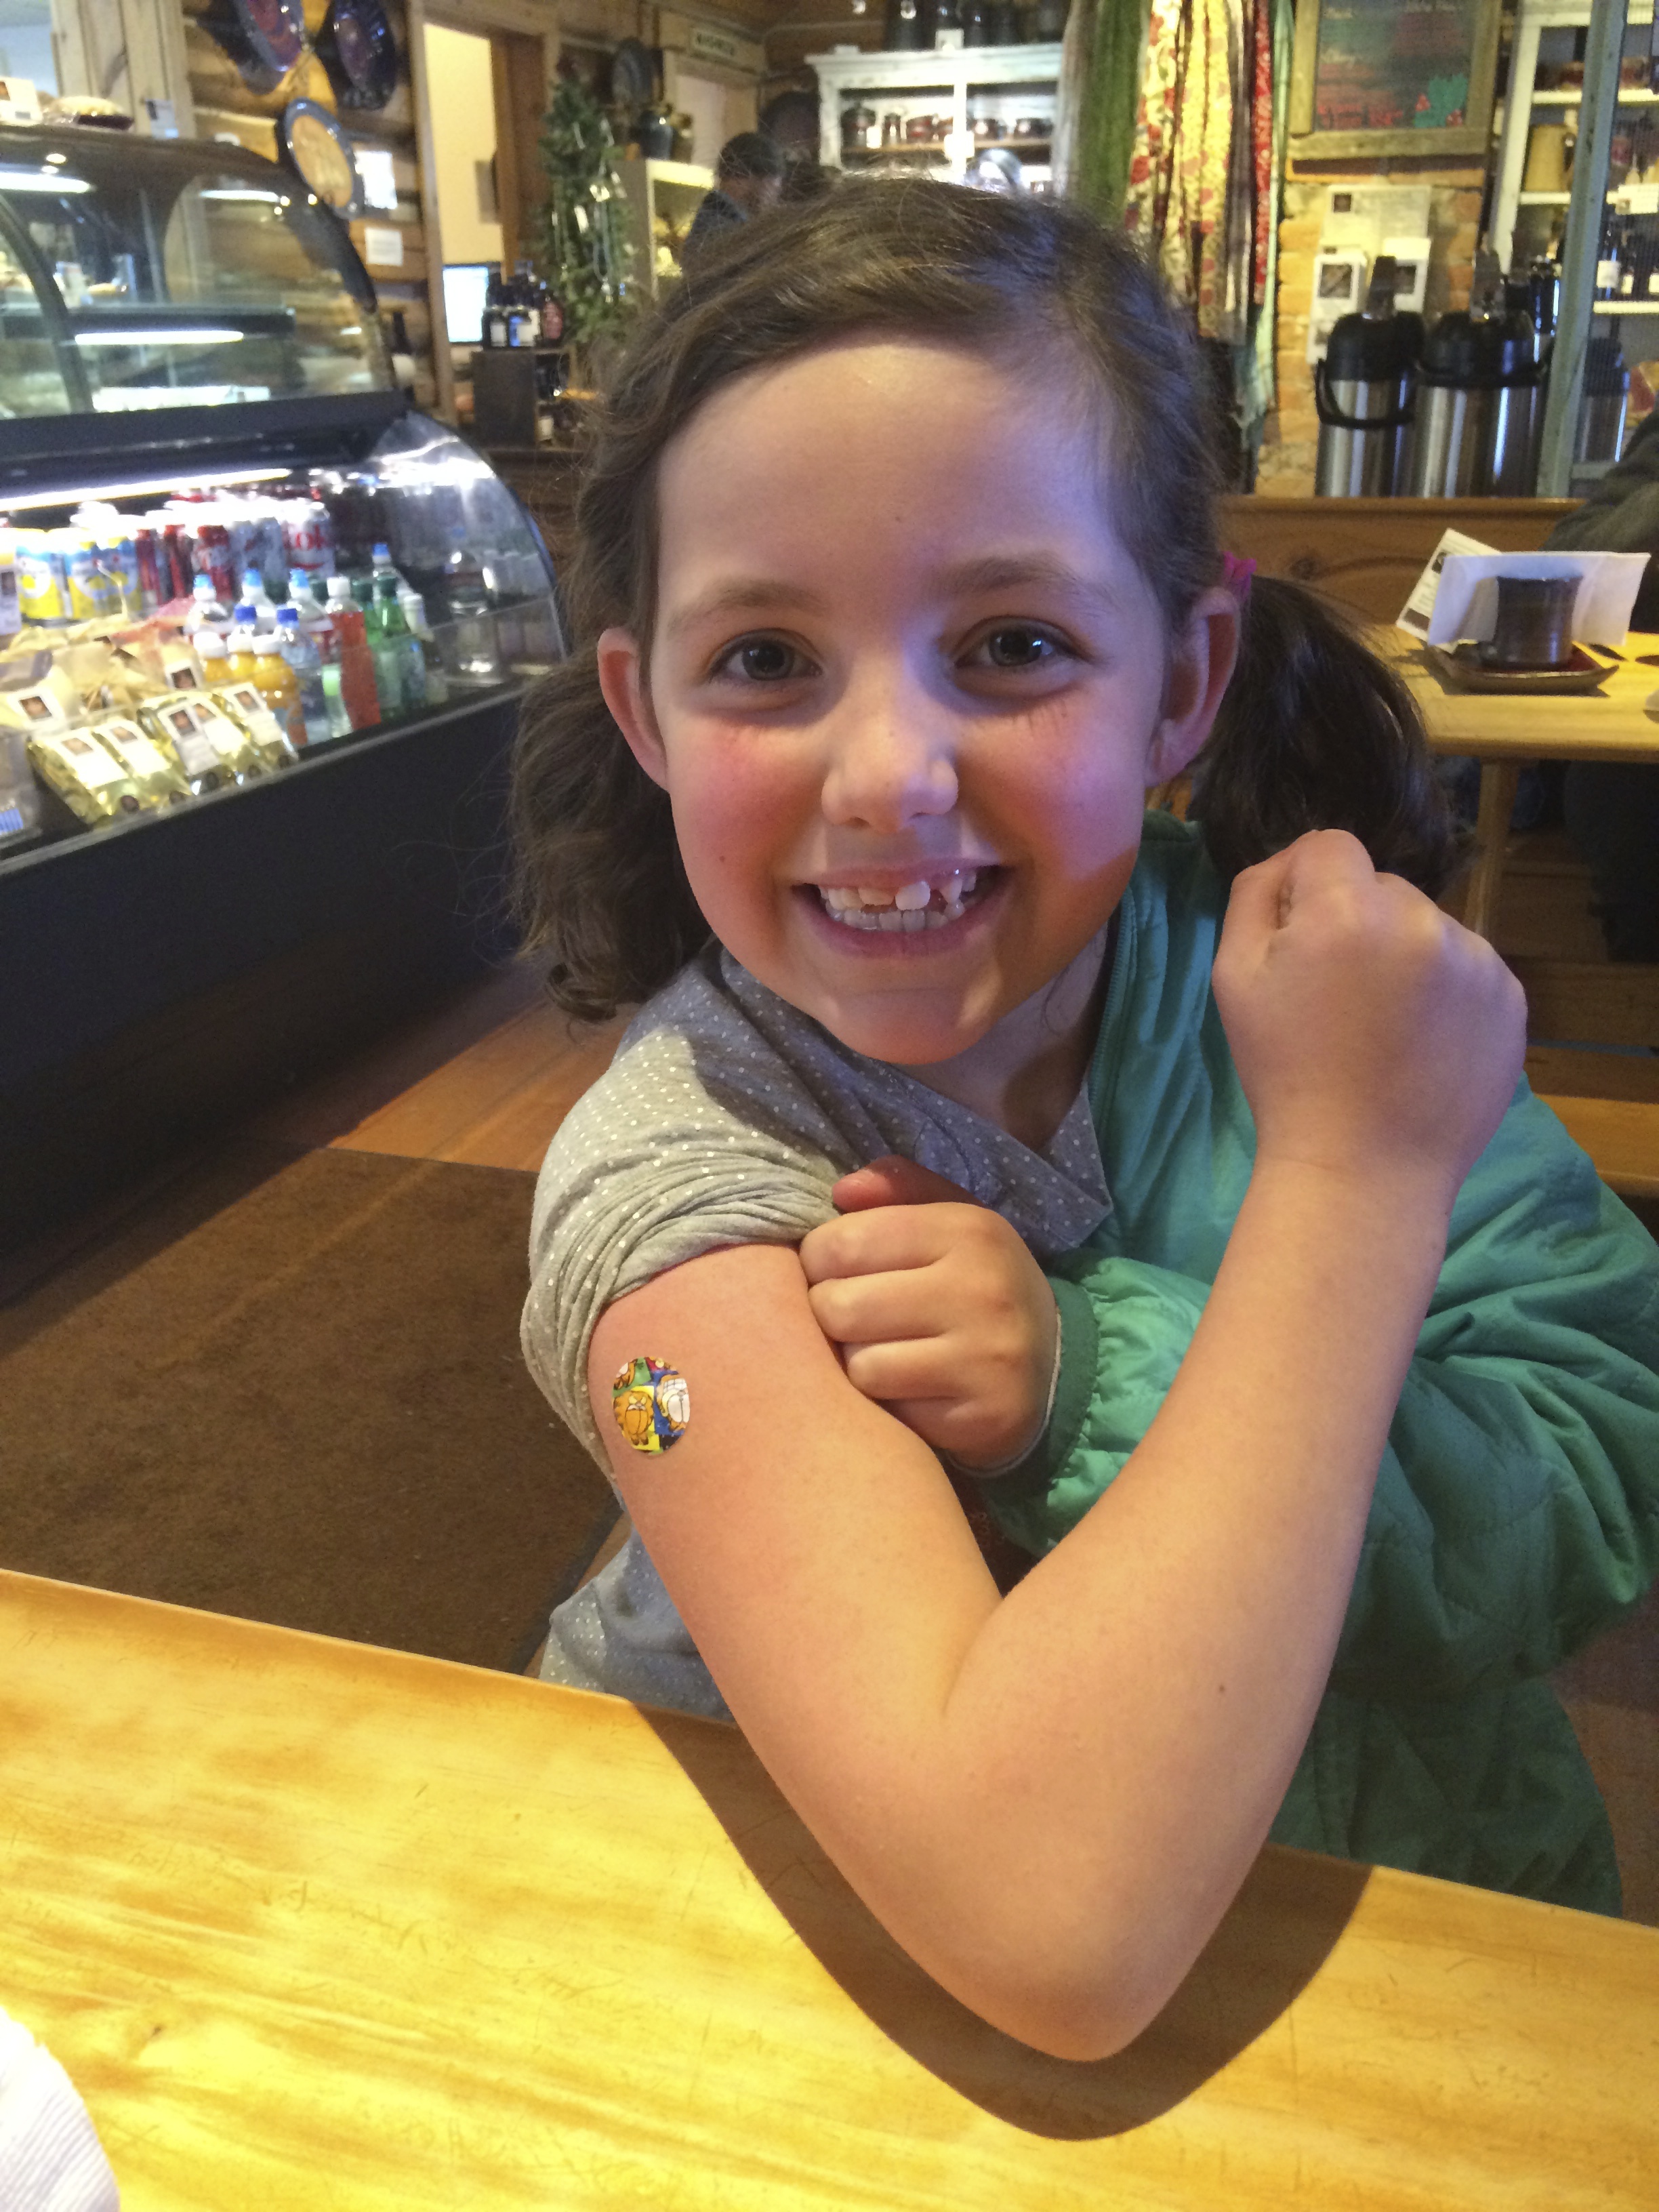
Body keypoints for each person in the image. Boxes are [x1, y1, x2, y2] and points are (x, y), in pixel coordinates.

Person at [510, 182, 1659, 2060]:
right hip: (849, 2017)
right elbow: (1052, 1920)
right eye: (766, 660)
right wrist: (1353, 1179)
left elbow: (1598, 1463)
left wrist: (1095, 1360)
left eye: (1013, 644)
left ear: (1181, 681)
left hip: (1415, 1921)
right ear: (647, 712)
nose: (888, 776)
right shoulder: (685, 1172)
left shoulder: (1332, 1005)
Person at [679, 131, 785, 267]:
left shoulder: (710, 220)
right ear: (756, 178)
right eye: (775, 187)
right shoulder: (733, 234)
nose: (775, 198)